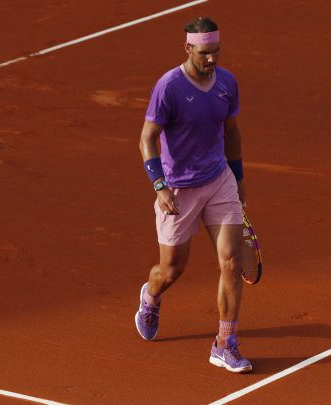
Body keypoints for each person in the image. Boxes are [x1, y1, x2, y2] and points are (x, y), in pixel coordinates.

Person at [134, 17, 251, 373]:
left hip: (219, 180)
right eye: (204, 53)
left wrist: (239, 177)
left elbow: (231, 132)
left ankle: (224, 344)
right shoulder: (168, 87)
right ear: (188, 48)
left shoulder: (227, 83)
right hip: (179, 189)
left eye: (216, 52)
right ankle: (150, 296)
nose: (212, 59)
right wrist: (160, 186)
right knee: (171, 270)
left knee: (230, 262)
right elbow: (147, 139)